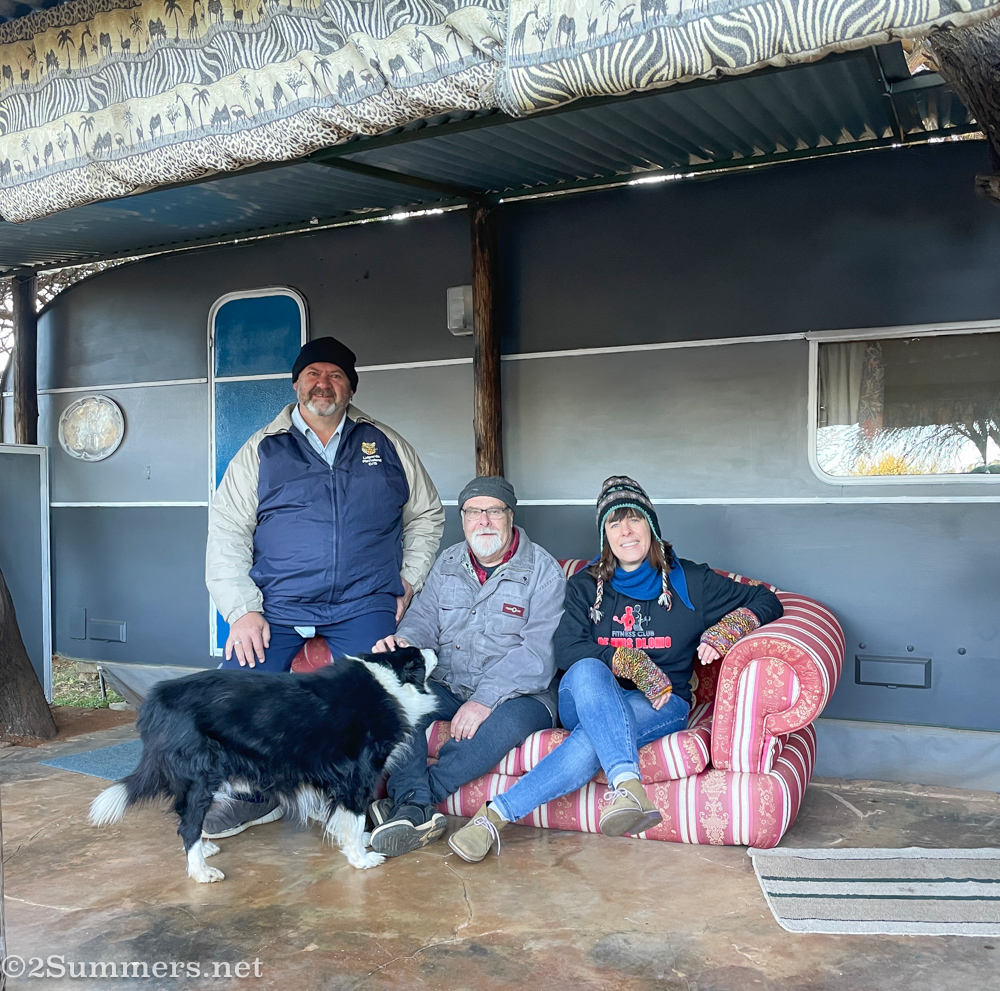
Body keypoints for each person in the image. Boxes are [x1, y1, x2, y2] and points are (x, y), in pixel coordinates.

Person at [447, 475, 783, 862]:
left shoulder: (691, 582)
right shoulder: (585, 585)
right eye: (613, 523)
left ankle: (493, 818)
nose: (625, 531)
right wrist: (626, 660)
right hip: (585, 694)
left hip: (661, 702)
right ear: (604, 535)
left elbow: (766, 600)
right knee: (589, 669)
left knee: (594, 740)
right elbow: (567, 648)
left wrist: (725, 631)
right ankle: (628, 785)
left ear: (651, 526)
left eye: (634, 520)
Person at [203, 335, 445, 836]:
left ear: (350, 388)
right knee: (239, 690)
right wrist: (242, 611)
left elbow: (427, 514)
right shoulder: (263, 449)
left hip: (362, 601)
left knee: (397, 684)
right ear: (296, 383)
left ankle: (409, 801)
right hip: (279, 602)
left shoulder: (386, 444)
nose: (323, 383)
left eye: (335, 375)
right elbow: (227, 532)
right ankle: (255, 794)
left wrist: (409, 577)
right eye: (313, 373)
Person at [367, 476, 565, 858]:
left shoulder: (543, 571)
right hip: (451, 681)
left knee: (499, 728)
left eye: (493, 511)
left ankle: (413, 803)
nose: (483, 521)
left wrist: (485, 700)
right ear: (463, 519)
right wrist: (406, 644)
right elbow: (423, 620)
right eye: (474, 512)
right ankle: (414, 807)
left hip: (521, 693)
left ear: (510, 516)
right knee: (395, 699)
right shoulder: (449, 561)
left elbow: (537, 655)